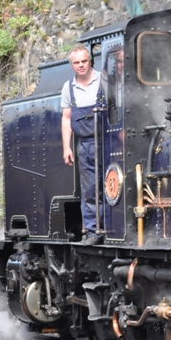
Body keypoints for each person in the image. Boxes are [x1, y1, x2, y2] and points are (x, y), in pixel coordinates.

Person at [61, 44, 105, 245]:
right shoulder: (68, 88)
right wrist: (67, 147)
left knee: (110, 186)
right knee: (89, 190)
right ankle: (93, 232)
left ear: (90, 61)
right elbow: (66, 118)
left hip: (106, 141)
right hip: (84, 145)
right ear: (72, 65)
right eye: (76, 63)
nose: (81, 65)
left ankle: (111, 228)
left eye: (84, 61)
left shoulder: (103, 80)